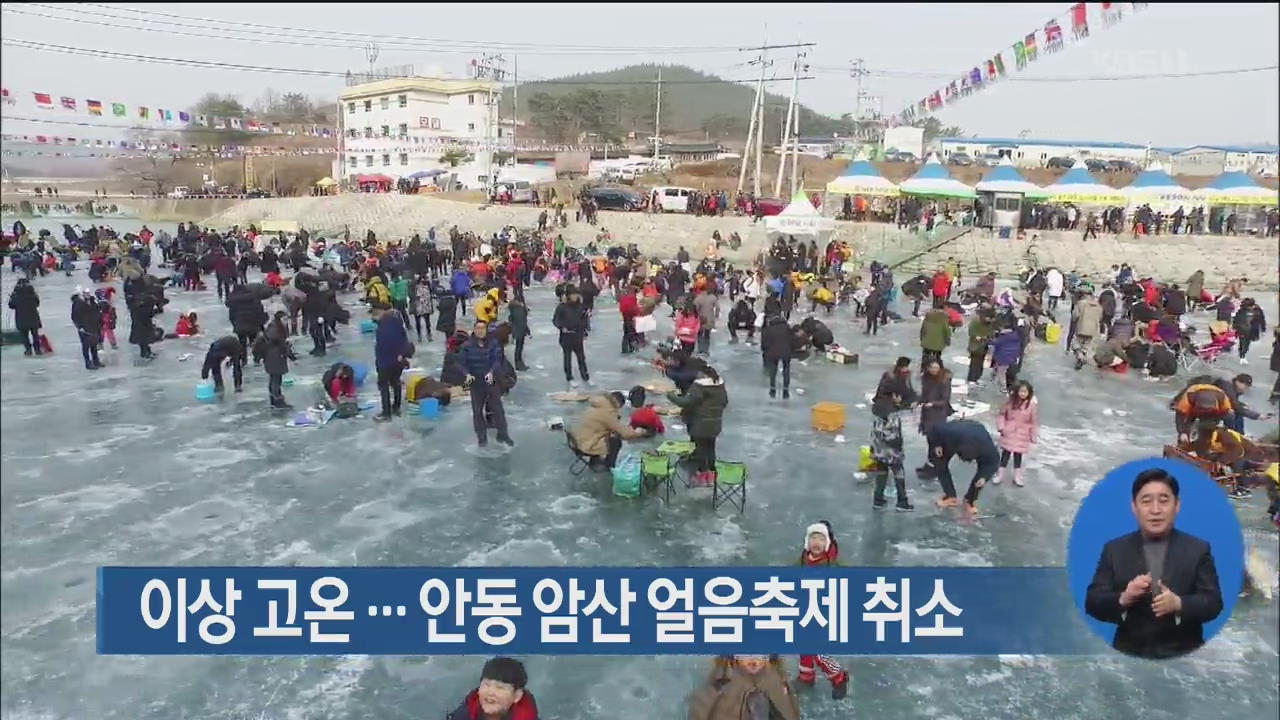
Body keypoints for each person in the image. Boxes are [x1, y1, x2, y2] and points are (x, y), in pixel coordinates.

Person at [1084, 468, 1224, 659]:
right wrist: (1124, 598)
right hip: (1128, 655)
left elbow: (1214, 603)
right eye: (1146, 501)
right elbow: (1093, 602)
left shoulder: (1199, 549)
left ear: (1177, 506)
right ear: (1134, 507)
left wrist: (1179, 604)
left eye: (1164, 501)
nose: (1155, 510)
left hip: (1185, 656)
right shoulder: (1114, 549)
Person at [795, 521, 850, 698]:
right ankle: (806, 675)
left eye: (820, 539)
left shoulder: (831, 565)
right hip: (805, 609)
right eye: (813, 538)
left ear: (826, 543)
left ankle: (839, 677)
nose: (816, 543)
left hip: (824, 613)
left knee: (818, 652)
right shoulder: (804, 558)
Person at [686, 655, 801, 720]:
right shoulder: (720, 682)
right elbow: (699, 710)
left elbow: (791, 712)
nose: (754, 659)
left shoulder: (778, 681)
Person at [668, 365, 728, 487]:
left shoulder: (699, 386)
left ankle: (701, 475)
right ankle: (711, 475)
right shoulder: (719, 385)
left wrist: (670, 395)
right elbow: (725, 402)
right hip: (715, 423)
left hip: (700, 423)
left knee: (700, 449)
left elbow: (687, 402)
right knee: (710, 448)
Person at [926, 419, 1000, 517]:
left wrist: (984, 477)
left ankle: (969, 500)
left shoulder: (987, 449)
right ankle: (950, 496)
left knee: (979, 480)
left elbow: (993, 463)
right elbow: (932, 431)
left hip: (975, 432)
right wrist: (937, 445)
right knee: (938, 461)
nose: (965, 462)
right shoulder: (946, 431)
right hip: (953, 436)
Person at [460, 320, 514, 447]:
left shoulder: (493, 343)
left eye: (483, 328)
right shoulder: (467, 346)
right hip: (475, 383)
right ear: (474, 330)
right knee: (477, 412)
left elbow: (496, 359)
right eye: (478, 328)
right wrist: (467, 374)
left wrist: (491, 371)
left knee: (498, 409)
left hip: (490, 381)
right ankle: (482, 439)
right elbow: (462, 363)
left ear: (486, 330)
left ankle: (503, 434)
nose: (480, 331)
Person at [571, 392, 650, 468]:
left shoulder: (595, 406)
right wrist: (639, 432)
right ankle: (609, 466)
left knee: (607, 434)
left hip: (578, 441)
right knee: (615, 441)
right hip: (587, 445)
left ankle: (595, 460)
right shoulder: (607, 412)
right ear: (617, 404)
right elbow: (624, 433)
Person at [447, 657, 539, 720]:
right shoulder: (462, 715)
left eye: (500, 687)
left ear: (517, 696)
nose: (491, 692)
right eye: (486, 685)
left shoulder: (528, 716)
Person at [870, 389, 913, 511]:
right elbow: (893, 435)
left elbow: (875, 431)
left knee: (881, 475)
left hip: (878, 451)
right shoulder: (892, 414)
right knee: (899, 475)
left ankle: (878, 500)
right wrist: (899, 447)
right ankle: (902, 502)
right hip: (892, 453)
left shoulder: (877, 409)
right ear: (894, 395)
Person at [995, 381, 1039, 486]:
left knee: (1018, 456)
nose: (1023, 394)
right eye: (1021, 391)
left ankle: (1017, 476)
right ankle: (1000, 475)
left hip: (1022, 435)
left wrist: (1033, 435)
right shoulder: (1009, 403)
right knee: (1005, 455)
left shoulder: (1031, 406)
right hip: (1009, 433)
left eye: (1025, 392)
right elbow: (1002, 415)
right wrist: (1001, 427)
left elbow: (1033, 422)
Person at [372, 303, 411, 421]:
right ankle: (396, 407)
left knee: (384, 386)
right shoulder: (397, 322)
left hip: (385, 361)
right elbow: (404, 339)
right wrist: (402, 355)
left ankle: (386, 412)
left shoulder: (383, 326)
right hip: (398, 360)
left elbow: (384, 345)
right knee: (396, 382)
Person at [552, 284, 591, 385]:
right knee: (567, 358)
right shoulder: (562, 307)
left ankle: (585, 377)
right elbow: (556, 320)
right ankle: (569, 377)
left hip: (578, 336)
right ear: (569, 295)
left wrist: (585, 329)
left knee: (581, 358)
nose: (576, 296)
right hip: (566, 337)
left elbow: (585, 319)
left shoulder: (580, 307)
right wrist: (562, 327)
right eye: (574, 294)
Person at [255, 311, 295, 409]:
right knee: (276, 379)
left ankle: (274, 400)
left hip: (271, 357)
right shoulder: (276, 331)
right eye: (284, 319)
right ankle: (278, 401)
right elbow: (282, 346)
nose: (286, 321)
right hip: (275, 357)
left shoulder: (274, 329)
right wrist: (291, 354)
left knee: (274, 378)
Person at [8, 277, 43, 355]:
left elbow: (11, 305)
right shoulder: (32, 294)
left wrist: (12, 297)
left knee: (24, 336)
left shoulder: (16, 295)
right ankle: (37, 350)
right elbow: (37, 303)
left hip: (21, 318)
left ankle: (28, 350)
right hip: (33, 317)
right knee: (35, 335)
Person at [70, 288, 104, 370]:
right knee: (86, 346)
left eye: (88, 293)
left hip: (94, 326)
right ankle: (88, 363)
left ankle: (96, 361)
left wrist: (100, 322)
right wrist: (79, 326)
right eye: (85, 293)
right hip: (84, 327)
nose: (87, 294)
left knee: (94, 345)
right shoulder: (78, 303)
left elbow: (96, 311)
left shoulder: (92, 301)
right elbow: (75, 316)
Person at [760, 314, 792, 399]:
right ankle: (785, 390)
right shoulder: (787, 328)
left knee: (773, 370)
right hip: (786, 351)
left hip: (772, 352)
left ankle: (772, 388)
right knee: (786, 369)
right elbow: (792, 339)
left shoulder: (768, 329)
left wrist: (765, 351)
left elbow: (764, 343)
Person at [507, 295, 530, 372]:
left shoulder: (512, 310)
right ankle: (519, 363)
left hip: (517, 331)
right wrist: (528, 332)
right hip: (521, 331)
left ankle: (518, 363)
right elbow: (523, 322)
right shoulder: (521, 310)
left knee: (518, 348)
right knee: (519, 348)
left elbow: (511, 321)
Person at [410, 275, 434, 343]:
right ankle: (428, 335)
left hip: (418, 307)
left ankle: (420, 336)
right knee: (427, 322)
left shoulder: (414, 288)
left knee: (418, 322)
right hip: (426, 307)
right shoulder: (427, 287)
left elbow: (412, 297)